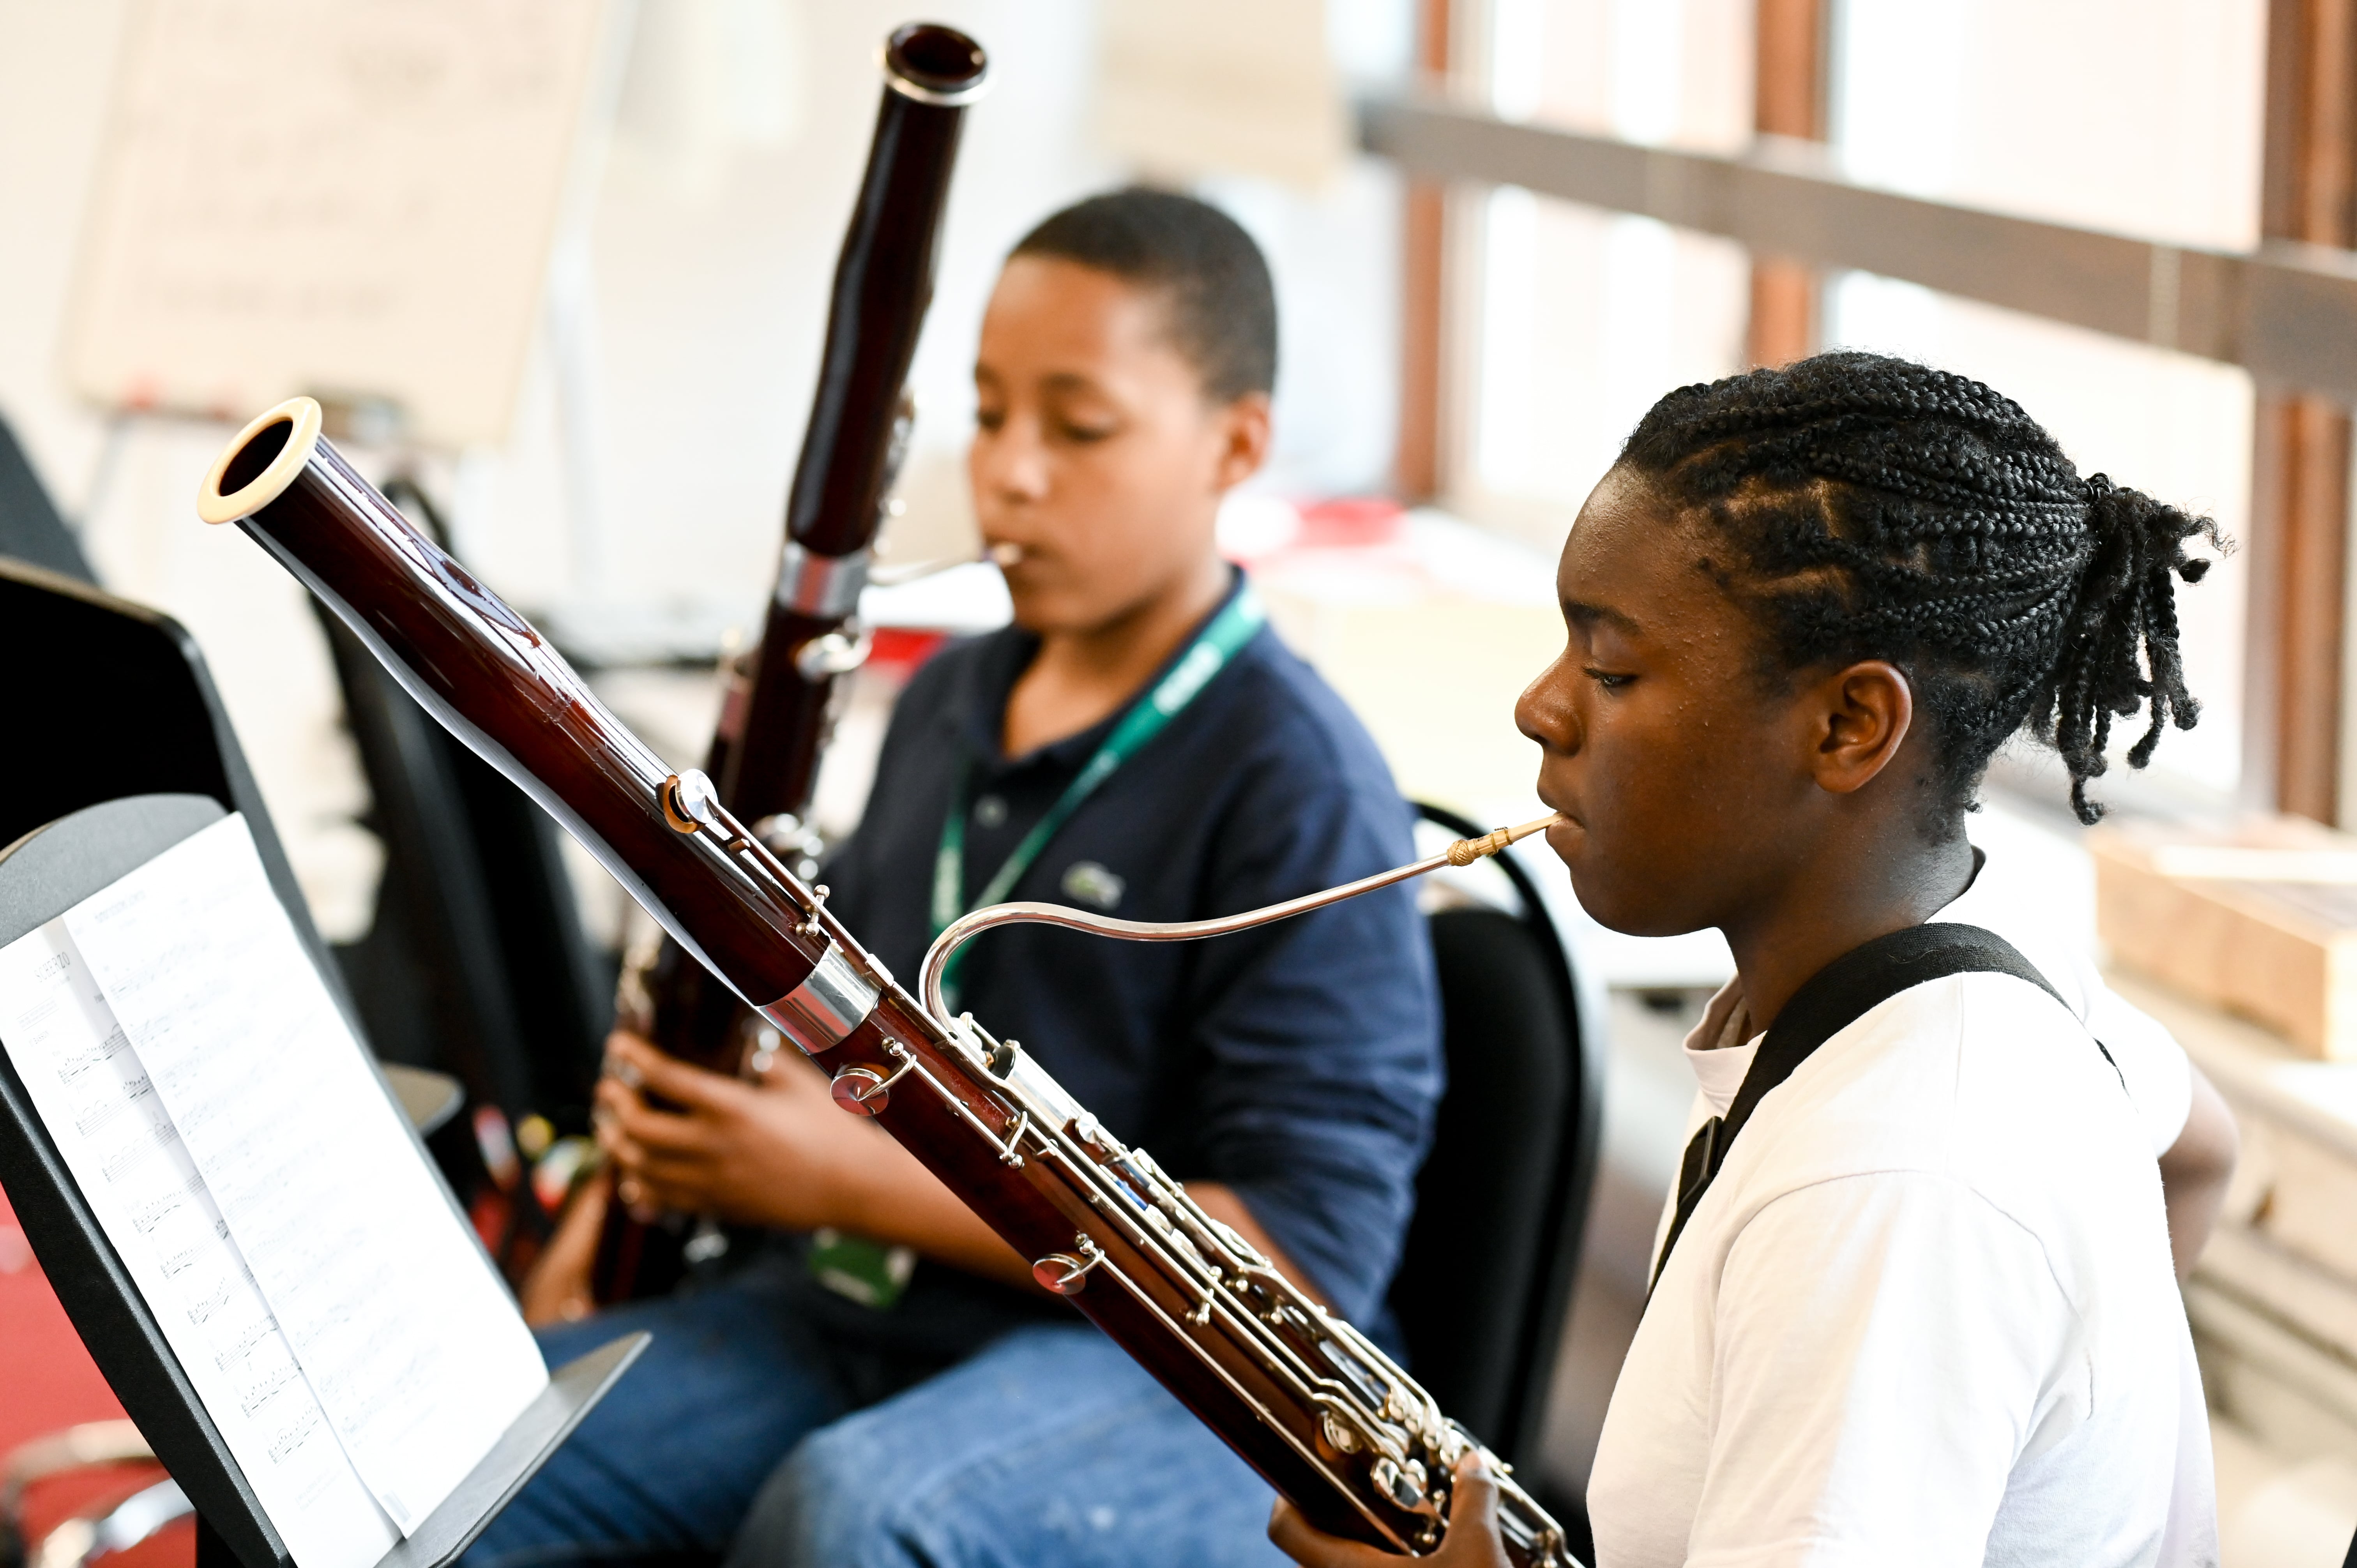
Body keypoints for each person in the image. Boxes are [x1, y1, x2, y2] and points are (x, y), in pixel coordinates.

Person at [467, 189, 1442, 1568]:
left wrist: (842, 1180)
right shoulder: (948, 697)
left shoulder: (1303, 783)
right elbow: (841, 1029)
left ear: (1237, 445)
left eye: (1080, 428)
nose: (1011, 475)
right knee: (453, 1457)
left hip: (1165, 1383)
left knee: (859, 1518)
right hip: (862, 1310)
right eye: (989, 416)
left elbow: (1304, 1260)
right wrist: (643, 1163)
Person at [1271, 351, 2232, 1566]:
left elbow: (2129, 1169)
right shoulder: (1974, 950)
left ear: (1849, 726)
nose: (1541, 709)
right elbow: (2203, 1149)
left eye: (1612, 670)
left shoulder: (1890, 1176)